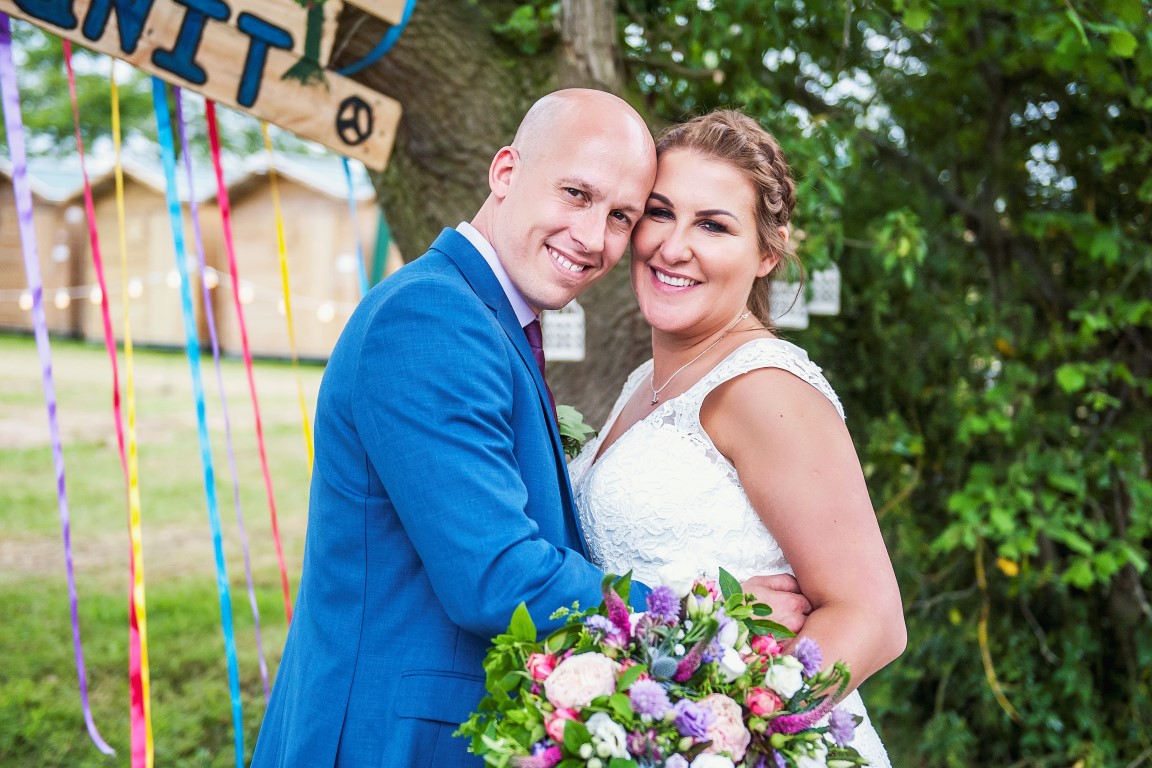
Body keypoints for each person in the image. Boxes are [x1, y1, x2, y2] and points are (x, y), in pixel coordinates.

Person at [251, 90, 810, 768]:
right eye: (576, 193)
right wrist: (708, 622)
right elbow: (497, 577)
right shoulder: (431, 318)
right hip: (389, 739)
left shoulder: (484, 318)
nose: (592, 236)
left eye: (620, 217)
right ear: (506, 172)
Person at [569, 110, 907, 766]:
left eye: (714, 225)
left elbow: (871, 621)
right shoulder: (648, 379)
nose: (672, 246)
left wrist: (720, 740)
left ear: (768, 251)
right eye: (659, 213)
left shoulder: (766, 391)